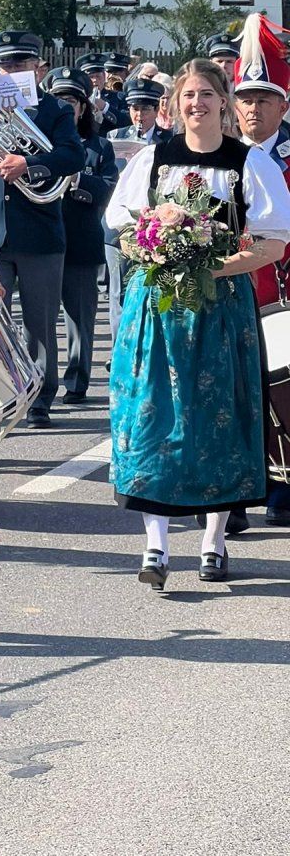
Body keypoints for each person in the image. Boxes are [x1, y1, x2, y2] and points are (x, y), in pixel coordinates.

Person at [106, 58, 290, 589]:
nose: (196, 104)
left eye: (207, 94)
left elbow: (274, 242)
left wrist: (214, 264)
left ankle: (213, 542)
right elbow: (118, 226)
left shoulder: (248, 162)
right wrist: (156, 248)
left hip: (221, 305)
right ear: (173, 104)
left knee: (218, 415)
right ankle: (156, 546)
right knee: (152, 413)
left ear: (224, 101)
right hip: (157, 305)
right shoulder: (151, 160)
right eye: (188, 95)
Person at [0, 31, 84, 427]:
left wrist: (29, 166)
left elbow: (72, 155)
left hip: (40, 232)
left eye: (20, 64)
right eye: (5, 65)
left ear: (36, 68)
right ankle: (1, 397)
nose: (12, 71)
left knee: (39, 321)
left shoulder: (55, 110)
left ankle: (40, 399)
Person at [233, 13, 290, 529]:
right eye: (246, 100)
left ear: (283, 106)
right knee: (230, 388)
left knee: (281, 387)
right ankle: (233, 489)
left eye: (264, 99)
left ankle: (280, 481)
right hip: (230, 289)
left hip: (282, 289)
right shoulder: (219, 156)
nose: (253, 109)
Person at [45, 68, 118, 404]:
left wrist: (78, 180)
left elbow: (109, 189)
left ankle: (77, 381)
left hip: (80, 238)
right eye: (59, 98)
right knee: (39, 320)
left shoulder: (100, 146)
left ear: (83, 106)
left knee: (80, 318)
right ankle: (39, 384)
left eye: (72, 100)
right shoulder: (40, 140)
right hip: (41, 238)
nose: (66, 105)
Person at [104, 77, 169, 341]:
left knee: (152, 286)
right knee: (118, 290)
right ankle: (120, 346)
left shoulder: (168, 141)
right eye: (134, 108)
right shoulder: (114, 137)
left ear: (156, 110)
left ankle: (149, 343)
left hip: (155, 225)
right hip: (120, 223)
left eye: (145, 109)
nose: (138, 115)